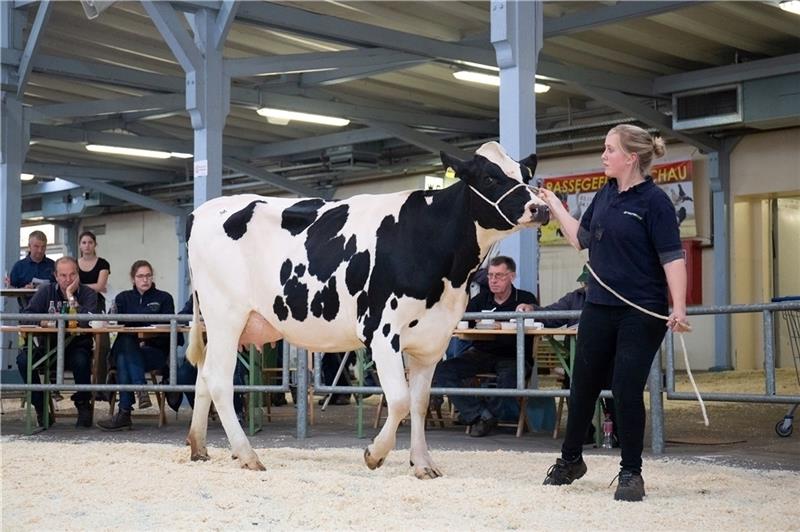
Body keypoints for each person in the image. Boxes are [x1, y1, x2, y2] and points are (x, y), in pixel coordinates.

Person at [536, 124, 689, 502]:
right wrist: (556, 206)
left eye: (609, 149)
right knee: (582, 384)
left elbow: (673, 258)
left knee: (624, 388)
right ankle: (571, 460)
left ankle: (631, 472)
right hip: (599, 306)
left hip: (642, 310)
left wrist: (680, 306)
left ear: (631, 157)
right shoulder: (604, 195)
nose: (603, 155)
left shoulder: (655, 202)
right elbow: (581, 241)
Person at [431, 256, 538, 437]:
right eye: (490, 276)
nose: (493, 281)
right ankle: (480, 415)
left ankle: (487, 416)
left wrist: (529, 310)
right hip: (481, 353)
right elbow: (462, 321)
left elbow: (536, 325)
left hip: (513, 355)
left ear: (512, 276)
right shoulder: (481, 299)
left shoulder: (525, 299)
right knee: (442, 371)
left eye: (499, 276)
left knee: (506, 386)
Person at [16, 256, 97, 428]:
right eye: (63, 275)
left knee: (82, 361)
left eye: (72, 275)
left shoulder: (88, 293)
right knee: (23, 360)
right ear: (55, 275)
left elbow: (89, 321)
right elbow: (25, 317)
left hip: (76, 346)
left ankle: (83, 406)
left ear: (78, 274)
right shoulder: (45, 291)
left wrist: (70, 297)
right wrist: (42, 322)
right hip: (48, 347)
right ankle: (40, 407)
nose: (68, 280)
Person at [97, 260, 175, 431]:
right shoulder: (123, 298)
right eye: (140, 276)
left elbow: (169, 327)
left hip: (154, 352)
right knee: (126, 344)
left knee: (125, 356)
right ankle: (140, 389)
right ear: (133, 279)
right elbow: (115, 320)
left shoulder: (164, 298)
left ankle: (125, 412)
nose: (145, 280)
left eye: (148, 276)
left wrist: (134, 321)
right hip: (129, 348)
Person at [77, 231, 110, 312]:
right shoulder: (74, 264)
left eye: (90, 242)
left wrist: (79, 286)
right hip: (78, 301)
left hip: (97, 302)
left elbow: (100, 286)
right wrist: (93, 286)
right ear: (80, 246)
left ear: (95, 244)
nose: (87, 246)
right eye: (84, 243)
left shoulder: (103, 263)